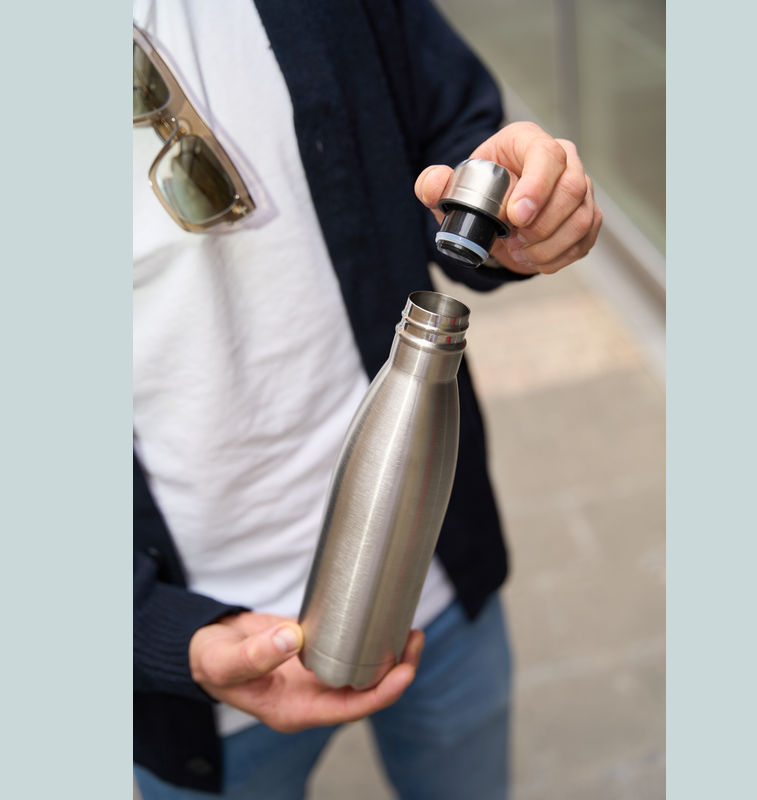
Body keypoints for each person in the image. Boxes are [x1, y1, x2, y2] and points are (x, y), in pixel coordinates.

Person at [132, 1, 602, 798]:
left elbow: (454, 134)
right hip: (198, 665)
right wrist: (160, 636)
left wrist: (521, 210)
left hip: (433, 575)